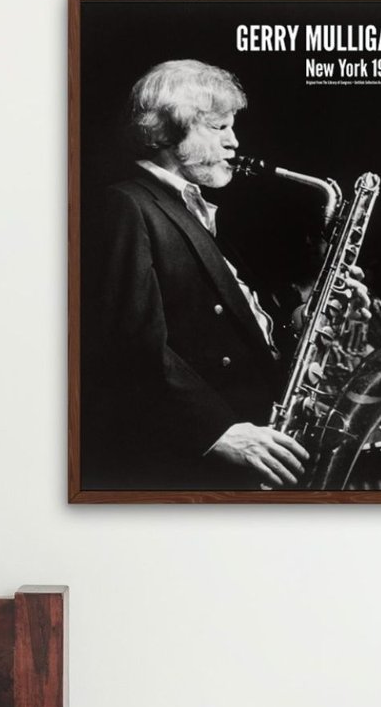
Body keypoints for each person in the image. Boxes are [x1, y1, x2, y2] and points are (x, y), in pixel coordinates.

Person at [79, 59, 310, 490]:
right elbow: (128, 344)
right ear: (168, 129)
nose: (235, 141)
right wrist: (216, 431)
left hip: (263, 438)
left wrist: (299, 314)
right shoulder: (126, 204)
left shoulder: (189, 208)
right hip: (203, 465)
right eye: (219, 127)